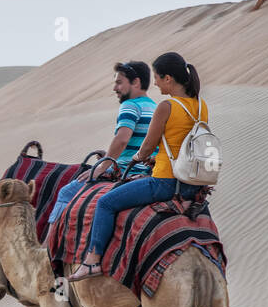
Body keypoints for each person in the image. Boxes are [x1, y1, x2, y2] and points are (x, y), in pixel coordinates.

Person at [67, 53, 208, 281]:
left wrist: (139, 157)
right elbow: (184, 145)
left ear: (169, 78)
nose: (155, 83)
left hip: (164, 182)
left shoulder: (166, 106)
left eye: (158, 78)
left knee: (105, 203)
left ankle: (92, 261)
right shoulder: (200, 106)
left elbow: (145, 148)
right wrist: (155, 158)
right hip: (191, 183)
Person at [46, 61, 158, 225]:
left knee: (65, 193)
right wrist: (108, 155)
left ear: (136, 82)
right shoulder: (154, 107)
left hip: (128, 171)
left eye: (119, 83)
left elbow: (122, 139)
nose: (115, 88)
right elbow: (138, 143)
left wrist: (101, 167)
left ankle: (49, 248)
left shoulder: (130, 105)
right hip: (147, 172)